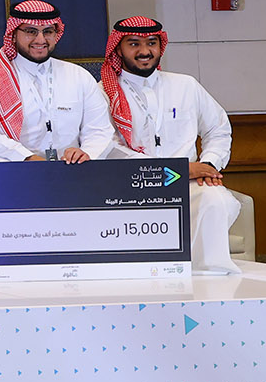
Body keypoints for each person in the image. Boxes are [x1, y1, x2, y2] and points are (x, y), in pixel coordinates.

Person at [100, 16, 243, 274]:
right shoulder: (103, 92)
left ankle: (209, 275)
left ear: (160, 46)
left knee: (216, 200)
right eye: (134, 44)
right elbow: (107, 146)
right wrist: (175, 170)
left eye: (151, 43)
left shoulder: (185, 85)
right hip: (131, 186)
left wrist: (208, 164)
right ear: (118, 48)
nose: (144, 51)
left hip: (188, 184)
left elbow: (218, 128)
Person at [0, 0, 113, 163]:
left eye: (48, 32)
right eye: (31, 31)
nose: (40, 40)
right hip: (12, 163)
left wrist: (85, 153)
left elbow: (99, 130)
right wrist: (26, 157)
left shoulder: (79, 76)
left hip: (68, 167)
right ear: (14, 34)